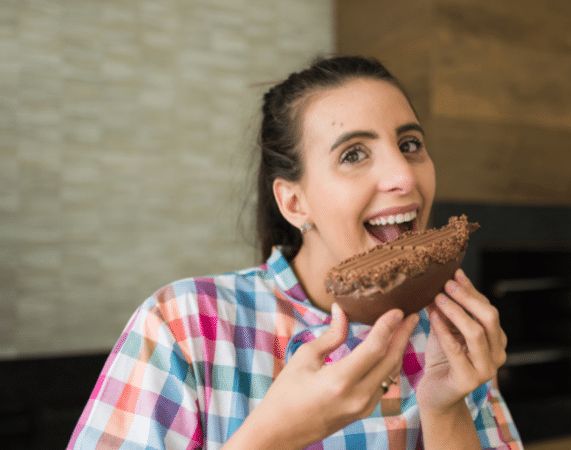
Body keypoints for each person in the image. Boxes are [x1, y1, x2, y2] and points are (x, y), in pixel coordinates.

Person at [68, 55, 522, 450]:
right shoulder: (183, 323)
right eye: (353, 155)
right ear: (293, 203)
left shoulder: (451, 339)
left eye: (409, 145)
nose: (404, 175)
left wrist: (445, 408)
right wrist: (274, 436)